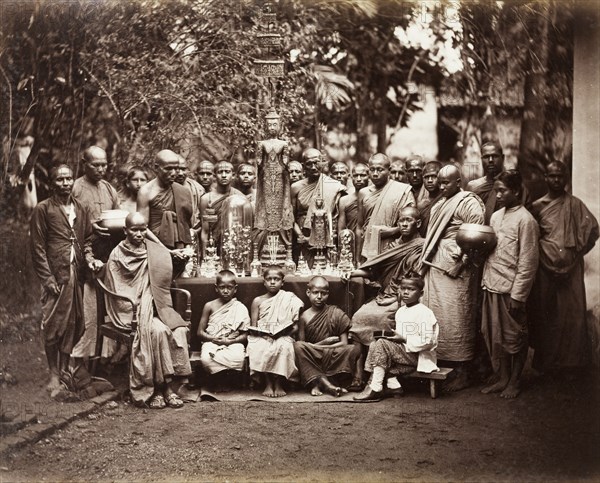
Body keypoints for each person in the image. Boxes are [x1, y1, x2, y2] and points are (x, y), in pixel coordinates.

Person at [101, 212, 192, 408]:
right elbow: (120, 290)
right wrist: (144, 306)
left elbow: (165, 275)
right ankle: (159, 388)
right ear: (125, 230)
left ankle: (170, 387)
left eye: (143, 230)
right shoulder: (117, 255)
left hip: (156, 306)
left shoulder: (152, 250)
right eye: (135, 230)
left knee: (179, 329)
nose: (140, 234)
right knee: (158, 331)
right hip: (130, 310)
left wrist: (176, 257)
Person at [528, 161, 599, 372]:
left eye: (560, 176)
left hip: (572, 268)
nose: (556, 180)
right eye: (552, 176)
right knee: (545, 312)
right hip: (544, 269)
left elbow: (593, 230)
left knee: (572, 315)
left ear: (565, 178)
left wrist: (577, 253)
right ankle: (546, 362)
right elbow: (532, 237)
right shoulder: (537, 206)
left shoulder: (575, 205)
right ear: (546, 177)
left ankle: (572, 364)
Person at [420, 164, 485, 391]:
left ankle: (463, 371)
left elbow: (475, 238)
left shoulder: (468, 202)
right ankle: (441, 366)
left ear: (459, 182)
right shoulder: (439, 203)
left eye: (446, 182)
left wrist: (462, 264)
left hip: (456, 269)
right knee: (439, 318)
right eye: (440, 182)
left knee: (458, 317)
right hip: (436, 267)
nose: (441, 186)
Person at [480, 170, 539, 398]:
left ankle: (515, 381)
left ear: (515, 191)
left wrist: (519, 295)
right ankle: (503, 377)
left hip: (510, 289)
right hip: (491, 284)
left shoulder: (526, 220)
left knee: (515, 335)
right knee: (497, 335)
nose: (499, 195)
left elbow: (528, 262)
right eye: (497, 191)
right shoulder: (496, 217)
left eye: (503, 191)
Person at [30, 165, 88, 395]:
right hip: (56, 275)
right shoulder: (43, 209)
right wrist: (47, 278)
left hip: (76, 273)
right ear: (52, 183)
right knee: (53, 324)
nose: (65, 183)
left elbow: (87, 237)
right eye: (60, 179)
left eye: (68, 178)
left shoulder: (80, 208)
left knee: (73, 323)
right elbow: (37, 247)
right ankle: (53, 373)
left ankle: (65, 370)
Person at [354, 273, 438, 402]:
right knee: (375, 343)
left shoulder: (424, 313)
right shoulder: (401, 311)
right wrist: (393, 338)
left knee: (382, 344)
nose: (405, 292)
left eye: (411, 289)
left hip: (418, 358)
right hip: (403, 357)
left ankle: (375, 387)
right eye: (403, 288)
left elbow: (429, 342)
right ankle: (394, 386)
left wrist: (404, 339)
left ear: (421, 294)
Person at [348, 207, 424, 347]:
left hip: (403, 297)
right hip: (384, 295)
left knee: (382, 319)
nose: (404, 224)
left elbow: (417, 279)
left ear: (418, 224)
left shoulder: (421, 247)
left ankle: (383, 357)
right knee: (358, 317)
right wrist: (353, 273)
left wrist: (398, 296)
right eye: (401, 220)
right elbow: (375, 272)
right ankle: (359, 365)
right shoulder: (393, 246)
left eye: (409, 220)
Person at [71, 146, 120, 362]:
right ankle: (83, 358)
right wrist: (88, 224)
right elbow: (67, 220)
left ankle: (107, 356)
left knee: (111, 305)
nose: (101, 169)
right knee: (89, 308)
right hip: (85, 256)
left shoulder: (109, 188)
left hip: (108, 254)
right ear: (84, 163)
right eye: (95, 165)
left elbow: (118, 215)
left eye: (104, 165)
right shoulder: (75, 188)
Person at [294, 276, 362, 397]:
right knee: (297, 346)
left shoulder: (336, 313)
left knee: (355, 348)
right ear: (308, 293)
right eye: (315, 293)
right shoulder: (304, 317)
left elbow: (344, 343)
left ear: (328, 294)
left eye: (323, 293)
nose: (319, 297)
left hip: (334, 353)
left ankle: (318, 382)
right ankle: (328, 385)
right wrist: (324, 342)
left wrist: (323, 347)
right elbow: (303, 345)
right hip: (314, 354)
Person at [247, 266, 304, 397]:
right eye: (269, 279)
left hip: (284, 335)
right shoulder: (258, 301)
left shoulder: (289, 298)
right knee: (261, 346)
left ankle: (278, 383)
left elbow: (295, 327)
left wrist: (282, 333)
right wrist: (263, 334)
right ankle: (268, 383)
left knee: (283, 346)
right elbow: (253, 326)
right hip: (262, 336)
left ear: (282, 282)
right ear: (264, 282)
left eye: (276, 279)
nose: (272, 282)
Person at [291, 148, 346, 266]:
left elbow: (338, 216)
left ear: (322, 162)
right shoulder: (296, 187)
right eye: (309, 164)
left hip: (326, 238)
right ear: (303, 166)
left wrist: (330, 237)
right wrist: (302, 237)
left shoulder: (334, 185)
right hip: (303, 236)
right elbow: (289, 216)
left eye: (316, 162)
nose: (313, 167)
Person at [356, 153, 415, 262]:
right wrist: (357, 258)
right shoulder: (363, 193)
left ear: (389, 170)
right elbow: (360, 227)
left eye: (380, 170)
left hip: (393, 247)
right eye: (372, 170)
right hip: (367, 248)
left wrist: (391, 231)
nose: (375, 174)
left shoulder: (402, 191)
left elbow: (412, 224)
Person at [137, 149, 194, 250]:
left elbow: (186, 224)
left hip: (181, 247)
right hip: (155, 247)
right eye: (168, 169)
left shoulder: (183, 191)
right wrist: (165, 249)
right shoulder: (146, 191)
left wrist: (187, 248)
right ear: (156, 168)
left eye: (176, 168)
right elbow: (142, 227)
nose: (173, 173)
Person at [197, 270, 249, 376]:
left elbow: (246, 334)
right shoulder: (209, 306)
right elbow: (200, 332)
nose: (225, 291)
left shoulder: (240, 307)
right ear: (216, 288)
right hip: (212, 342)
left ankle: (225, 379)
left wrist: (229, 341)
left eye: (229, 288)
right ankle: (218, 379)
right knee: (206, 358)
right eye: (222, 287)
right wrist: (213, 339)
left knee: (238, 358)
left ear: (235, 289)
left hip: (233, 342)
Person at [466, 141, 530, 224]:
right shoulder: (473, 187)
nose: (491, 160)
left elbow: (525, 218)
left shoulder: (517, 187)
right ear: (481, 159)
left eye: (495, 156)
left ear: (502, 158)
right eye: (486, 157)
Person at [254, 108, 295, 238]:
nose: (272, 128)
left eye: (274, 125)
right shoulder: (262, 143)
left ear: (280, 126)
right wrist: (259, 157)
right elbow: (259, 162)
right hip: (266, 177)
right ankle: (266, 231)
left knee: (279, 202)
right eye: (269, 125)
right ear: (265, 127)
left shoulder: (284, 143)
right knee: (267, 203)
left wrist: (285, 161)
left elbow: (286, 162)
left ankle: (280, 231)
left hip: (279, 177)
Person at [198, 161, 244, 259]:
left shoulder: (239, 197)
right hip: (213, 245)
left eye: (227, 172)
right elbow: (205, 230)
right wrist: (205, 256)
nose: (223, 175)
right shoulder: (206, 199)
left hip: (233, 245)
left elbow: (243, 229)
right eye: (220, 172)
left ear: (233, 175)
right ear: (214, 176)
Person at [338, 163, 369, 235]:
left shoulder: (373, 198)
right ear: (351, 177)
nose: (358, 179)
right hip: (350, 241)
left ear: (369, 177)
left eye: (362, 175)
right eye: (355, 176)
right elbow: (341, 230)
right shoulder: (344, 200)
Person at [175, 154, 205, 229]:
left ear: (188, 170)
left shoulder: (198, 189)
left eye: (183, 169)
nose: (180, 173)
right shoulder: (164, 187)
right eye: (177, 169)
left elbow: (202, 216)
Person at [419, 160, 443, 237]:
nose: (429, 180)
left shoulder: (448, 200)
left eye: (434, 176)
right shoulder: (421, 205)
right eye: (426, 177)